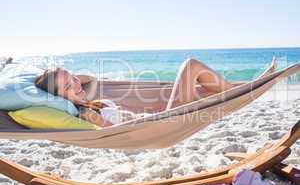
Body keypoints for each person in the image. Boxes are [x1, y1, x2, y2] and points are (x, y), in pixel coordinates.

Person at [34, 58, 277, 127]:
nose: (77, 85)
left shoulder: (90, 100)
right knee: (190, 66)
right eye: (68, 87)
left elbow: (88, 80)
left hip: (162, 116)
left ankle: (246, 88)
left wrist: (71, 82)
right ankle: (249, 88)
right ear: (59, 98)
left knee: (203, 88)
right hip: (166, 121)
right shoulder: (86, 115)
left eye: (73, 78)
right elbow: (113, 131)